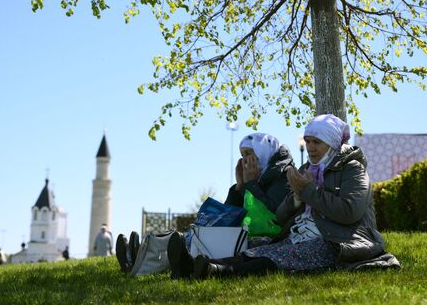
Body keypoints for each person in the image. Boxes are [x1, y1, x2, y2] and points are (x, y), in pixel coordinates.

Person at [169, 114, 400, 279]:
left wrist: (307, 192)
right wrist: (296, 199)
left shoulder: (353, 169)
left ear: (330, 143)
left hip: (340, 241)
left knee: (281, 257)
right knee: (259, 251)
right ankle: (196, 267)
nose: (310, 147)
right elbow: (280, 217)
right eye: (308, 141)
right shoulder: (306, 170)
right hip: (304, 235)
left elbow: (350, 212)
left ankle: (214, 272)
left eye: (316, 142)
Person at [168, 132, 294, 279]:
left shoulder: (284, 175)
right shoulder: (255, 178)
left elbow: (276, 212)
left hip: (271, 238)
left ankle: (192, 266)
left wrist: (251, 185)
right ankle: (175, 260)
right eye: (242, 154)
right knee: (195, 235)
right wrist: (239, 188)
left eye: (249, 153)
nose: (245, 159)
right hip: (247, 235)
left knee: (230, 246)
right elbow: (230, 216)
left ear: (263, 152)